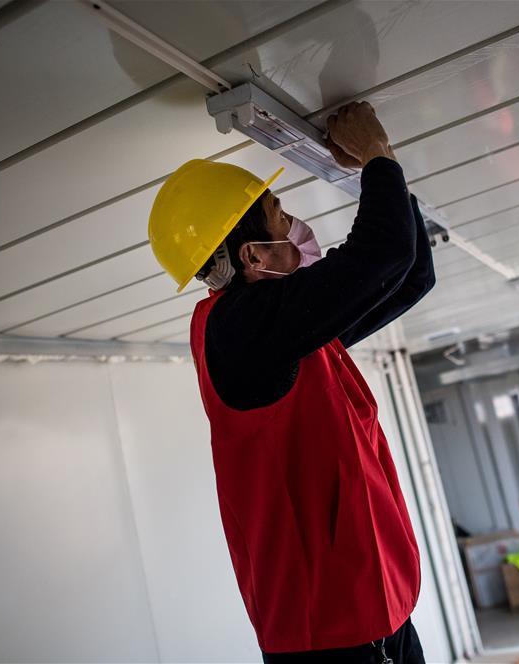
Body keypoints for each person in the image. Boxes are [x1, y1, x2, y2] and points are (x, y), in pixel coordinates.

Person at [148, 102, 432, 662]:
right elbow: (382, 254)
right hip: (330, 638)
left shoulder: (285, 335)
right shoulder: (242, 332)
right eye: (280, 215)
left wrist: (387, 180)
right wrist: (378, 157)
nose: (293, 225)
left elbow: (409, 275)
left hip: (374, 617)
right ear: (252, 254)